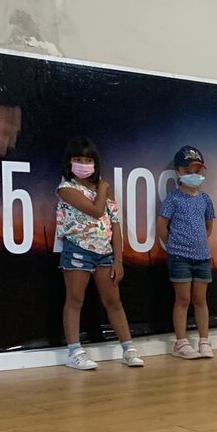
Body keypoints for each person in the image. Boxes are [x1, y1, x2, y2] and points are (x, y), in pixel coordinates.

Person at [56, 138, 144, 370]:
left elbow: (115, 223)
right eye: (78, 159)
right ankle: (74, 351)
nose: (83, 164)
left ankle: (128, 348)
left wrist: (118, 259)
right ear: (69, 162)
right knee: (75, 299)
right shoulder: (67, 189)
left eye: (88, 160)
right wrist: (103, 189)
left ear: (95, 163)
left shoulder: (102, 189)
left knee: (113, 301)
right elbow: (95, 211)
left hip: (105, 252)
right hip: (78, 249)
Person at [157, 145, 216, 360]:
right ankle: (181, 342)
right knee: (183, 298)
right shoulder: (173, 198)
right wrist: (174, 245)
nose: (193, 175)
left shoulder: (205, 199)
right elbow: (162, 225)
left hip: (202, 257)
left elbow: (209, 226)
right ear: (178, 172)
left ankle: (204, 340)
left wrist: (199, 243)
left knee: (200, 299)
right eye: (187, 171)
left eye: (197, 171)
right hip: (179, 257)